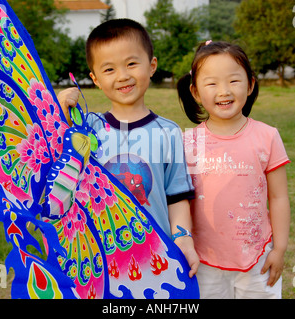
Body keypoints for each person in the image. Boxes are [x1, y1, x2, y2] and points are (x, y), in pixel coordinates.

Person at [58, 19, 199, 278]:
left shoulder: (168, 133)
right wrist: (60, 109)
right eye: (109, 69)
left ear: (152, 65)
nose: (123, 76)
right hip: (97, 257)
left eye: (131, 64)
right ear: (95, 79)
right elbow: (55, 155)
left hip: (156, 257)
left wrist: (183, 238)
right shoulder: (86, 128)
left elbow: (176, 197)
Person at [177, 41, 291, 298]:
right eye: (212, 83)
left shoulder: (267, 136)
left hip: (257, 258)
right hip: (202, 261)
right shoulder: (186, 143)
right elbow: (178, 200)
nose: (224, 91)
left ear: (250, 84)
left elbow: (279, 197)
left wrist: (279, 249)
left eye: (233, 81)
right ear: (195, 92)